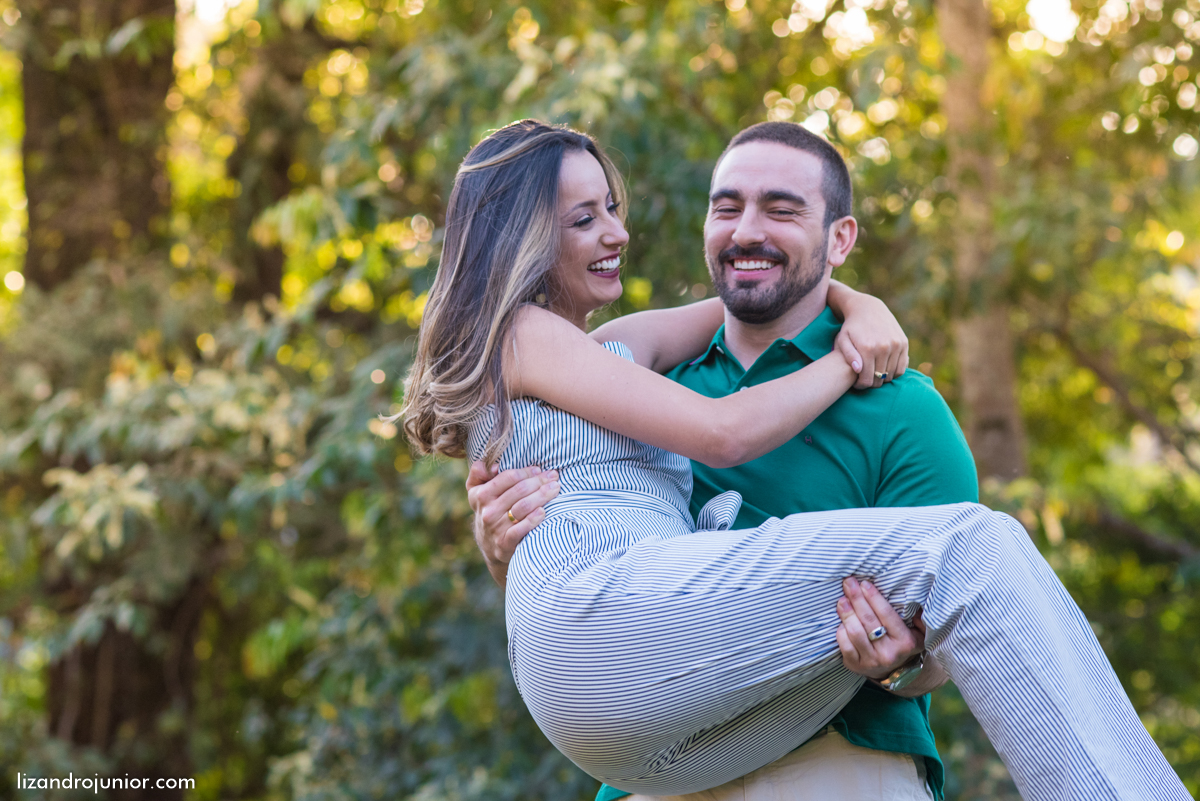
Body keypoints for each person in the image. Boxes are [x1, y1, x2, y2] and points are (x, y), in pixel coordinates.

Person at [400, 119, 1190, 801]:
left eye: (782, 210)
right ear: (526, 238)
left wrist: (856, 303)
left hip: (728, 728)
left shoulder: (618, 353)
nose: (617, 232)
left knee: (957, 573)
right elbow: (724, 435)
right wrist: (849, 356)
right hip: (607, 645)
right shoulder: (555, 344)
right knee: (971, 547)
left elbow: (942, 650)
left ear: (839, 237)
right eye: (584, 218)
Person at [466, 118, 978, 801]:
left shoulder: (905, 411)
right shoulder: (632, 388)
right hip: (656, 774)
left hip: (831, 761)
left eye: (782, 209)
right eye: (727, 207)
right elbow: (589, 560)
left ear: (840, 238)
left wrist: (899, 663)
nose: (746, 230)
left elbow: (952, 639)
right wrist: (505, 552)